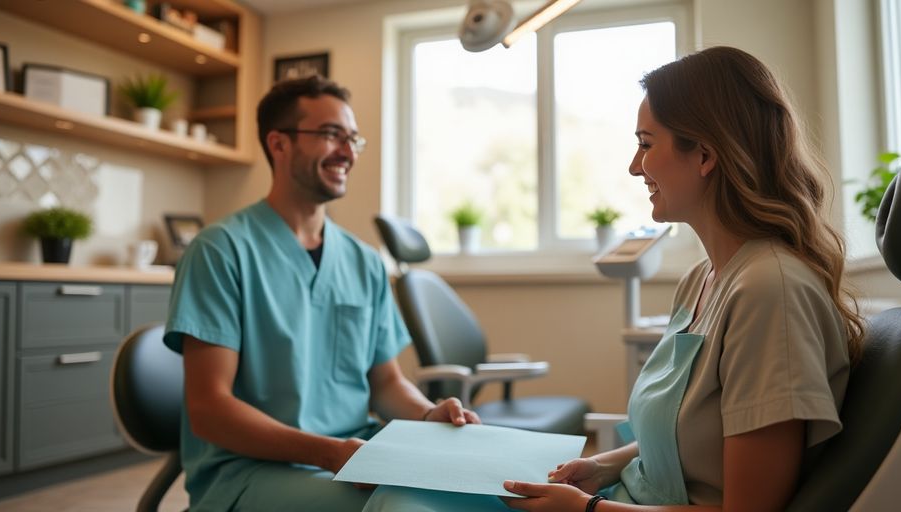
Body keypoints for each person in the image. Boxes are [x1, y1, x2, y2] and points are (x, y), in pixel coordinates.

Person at [363, 45, 864, 512]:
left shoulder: (768, 291)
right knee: (402, 494)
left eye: (646, 145)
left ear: (706, 156)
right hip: (623, 495)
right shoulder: (703, 279)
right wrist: (600, 467)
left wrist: (586, 510)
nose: (633, 166)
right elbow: (678, 435)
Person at [163, 75, 480, 512]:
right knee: (404, 507)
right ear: (279, 144)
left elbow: (385, 383)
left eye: (352, 138)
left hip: (354, 452)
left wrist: (428, 415)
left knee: (482, 492)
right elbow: (209, 408)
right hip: (249, 472)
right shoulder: (220, 251)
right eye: (332, 135)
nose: (348, 152)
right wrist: (328, 453)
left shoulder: (364, 261)